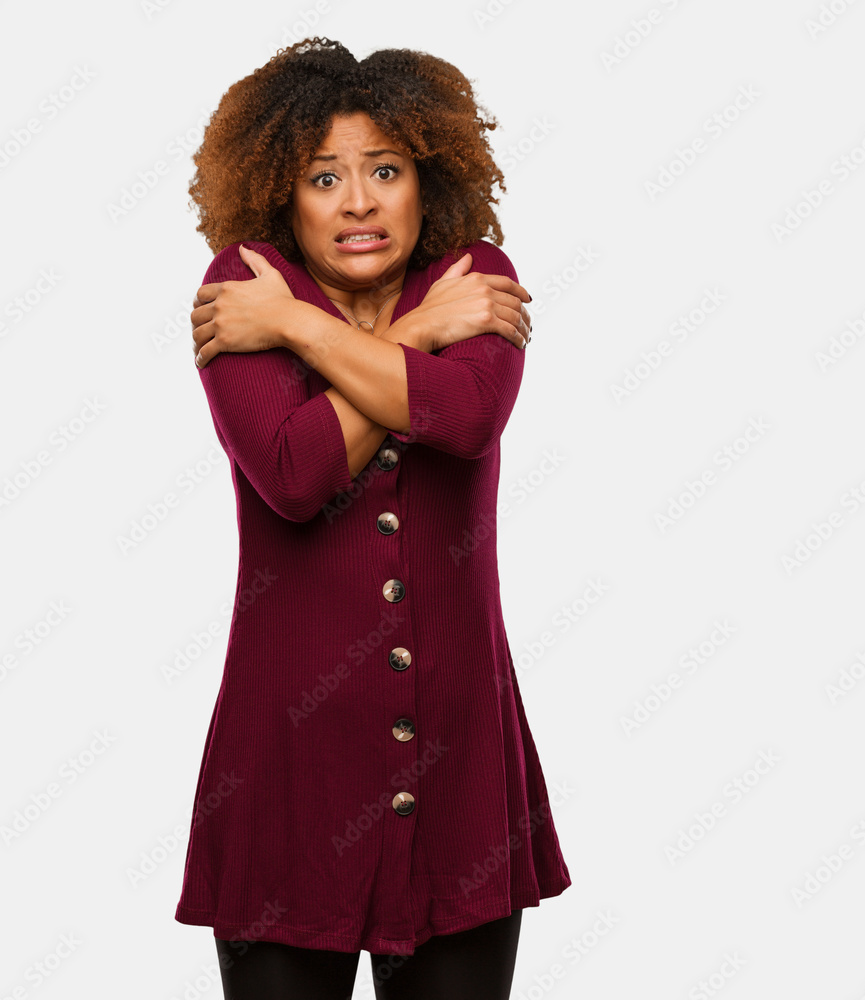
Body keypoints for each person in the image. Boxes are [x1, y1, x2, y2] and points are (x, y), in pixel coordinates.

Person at [175, 38, 572, 1000]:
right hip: (287, 773)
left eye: (385, 171)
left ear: (427, 181)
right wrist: (418, 337)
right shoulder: (244, 285)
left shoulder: (474, 274)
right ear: (283, 195)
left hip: (458, 776)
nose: (358, 201)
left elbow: (466, 418)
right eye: (325, 177)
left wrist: (299, 328)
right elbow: (293, 473)